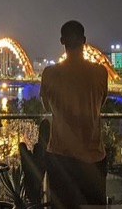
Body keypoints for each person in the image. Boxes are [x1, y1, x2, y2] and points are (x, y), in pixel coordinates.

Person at [40, 20, 108, 209]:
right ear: (84, 40)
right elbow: (100, 104)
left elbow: (46, 106)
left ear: (62, 41)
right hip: (93, 157)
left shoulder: (49, 73)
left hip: (60, 157)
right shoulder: (100, 72)